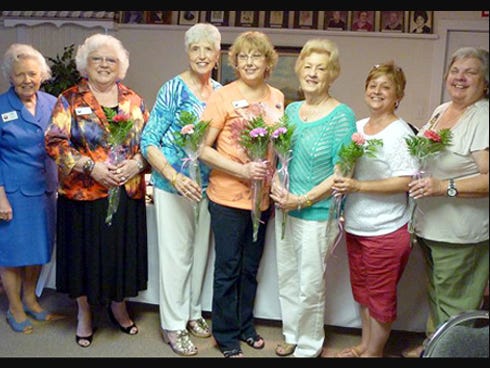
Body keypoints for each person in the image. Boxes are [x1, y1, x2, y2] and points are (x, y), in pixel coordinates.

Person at [44, 33, 149, 348]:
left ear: (121, 66)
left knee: (119, 255)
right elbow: (54, 142)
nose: (104, 64)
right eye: (97, 58)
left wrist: (138, 163)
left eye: (111, 60)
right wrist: (92, 168)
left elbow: (151, 143)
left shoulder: (134, 100)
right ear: (84, 64)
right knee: (84, 256)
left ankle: (118, 305)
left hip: (125, 192)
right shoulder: (69, 99)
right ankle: (84, 312)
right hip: (83, 195)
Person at [199, 30, 284, 358]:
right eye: (243, 57)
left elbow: (278, 146)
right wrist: (242, 171)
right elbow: (202, 149)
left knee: (251, 268)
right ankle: (225, 333)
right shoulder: (222, 97)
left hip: (260, 201)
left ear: (267, 63)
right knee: (229, 267)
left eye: (256, 56)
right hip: (227, 199)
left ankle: (245, 325)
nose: (249, 62)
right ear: (235, 62)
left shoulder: (276, 96)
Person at [269, 38, 356, 358]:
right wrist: (278, 185)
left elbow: (340, 173)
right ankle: (291, 332)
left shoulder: (342, 115)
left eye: (321, 68)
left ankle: (309, 343)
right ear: (299, 70)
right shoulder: (291, 110)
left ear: (332, 74)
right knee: (288, 276)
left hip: (317, 213)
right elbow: (282, 160)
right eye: (308, 66)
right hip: (286, 209)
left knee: (310, 283)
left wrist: (301, 200)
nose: (313, 73)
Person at [140, 23, 222, 356]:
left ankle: (192, 312)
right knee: (176, 258)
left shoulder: (220, 91)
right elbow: (148, 141)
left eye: (208, 49)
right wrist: (173, 176)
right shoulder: (173, 88)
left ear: (217, 55)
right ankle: (172, 325)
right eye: (195, 49)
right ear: (187, 53)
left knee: (200, 254)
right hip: (173, 185)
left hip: (207, 186)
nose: (202, 55)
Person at [403, 47, 489, 358]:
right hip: (431, 226)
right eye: (455, 70)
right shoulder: (442, 110)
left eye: (471, 72)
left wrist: (444, 186)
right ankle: (435, 346)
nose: (460, 77)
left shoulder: (484, 116)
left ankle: (451, 352)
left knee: (457, 303)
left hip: (461, 232)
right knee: (439, 295)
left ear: (485, 82)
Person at [333, 62, 418, 357]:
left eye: (386, 87)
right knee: (364, 294)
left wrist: (358, 187)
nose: (377, 91)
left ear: (398, 96)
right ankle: (365, 346)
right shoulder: (357, 128)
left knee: (380, 298)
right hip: (357, 226)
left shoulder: (399, 133)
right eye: (373, 85)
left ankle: (374, 353)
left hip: (386, 230)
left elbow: (407, 180)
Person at [0, 43, 60, 333]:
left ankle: (30, 299)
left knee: (37, 249)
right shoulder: (1, 107)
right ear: (10, 77)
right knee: (12, 254)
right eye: (20, 75)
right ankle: (14, 307)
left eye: (33, 74)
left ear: (42, 75)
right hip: (12, 192)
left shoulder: (52, 102)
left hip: (46, 190)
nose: (27, 80)